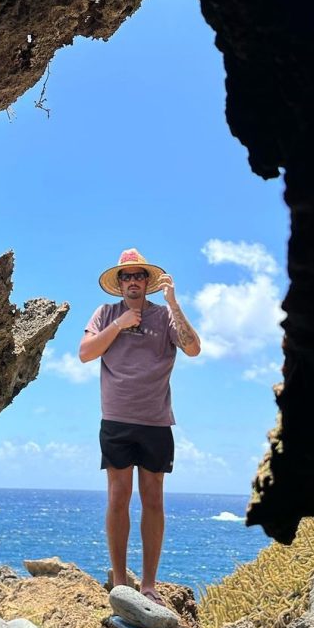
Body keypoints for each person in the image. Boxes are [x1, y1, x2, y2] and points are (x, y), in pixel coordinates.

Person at [79, 248, 201, 603]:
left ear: (148, 281)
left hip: (156, 421)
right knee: (118, 498)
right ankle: (120, 583)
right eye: (126, 277)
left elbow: (193, 349)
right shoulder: (106, 313)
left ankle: (148, 584)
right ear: (119, 284)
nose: (133, 281)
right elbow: (85, 353)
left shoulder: (164, 317)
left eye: (138, 276)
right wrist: (119, 325)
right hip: (116, 419)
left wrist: (174, 302)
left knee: (154, 501)